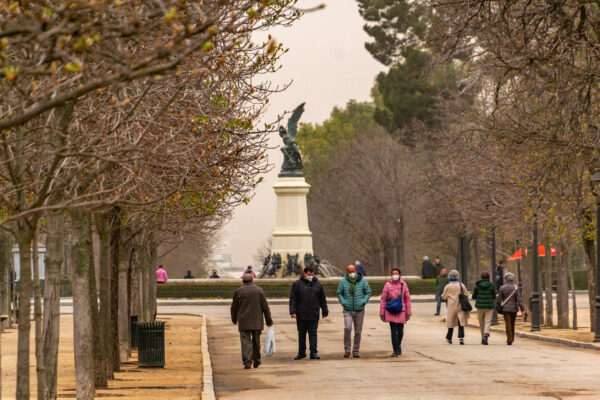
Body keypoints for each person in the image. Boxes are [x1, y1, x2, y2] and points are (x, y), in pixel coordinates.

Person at [230, 273, 273, 369]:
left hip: (244, 320)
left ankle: (247, 362)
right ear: (252, 280)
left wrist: (234, 319)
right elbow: (265, 307)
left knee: (245, 341)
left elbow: (234, 307)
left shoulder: (239, 291)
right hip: (257, 320)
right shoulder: (259, 290)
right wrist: (269, 321)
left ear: (243, 281)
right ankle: (257, 360)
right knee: (256, 341)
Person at [289, 266, 328, 360]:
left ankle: (313, 352)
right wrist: (292, 311)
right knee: (301, 334)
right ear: (304, 273)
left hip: (313, 313)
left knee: (313, 334)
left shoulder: (318, 284)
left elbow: (322, 299)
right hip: (301, 314)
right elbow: (293, 299)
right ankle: (301, 353)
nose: (311, 276)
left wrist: (325, 311)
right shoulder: (297, 284)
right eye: (309, 274)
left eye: (312, 274)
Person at [337, 264, 372, 358]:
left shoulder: (362, 281)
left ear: (356, 271)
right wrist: (343, 302)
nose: (352, 273)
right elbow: (339, 293)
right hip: (347, 309)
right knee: (347, 328)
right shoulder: (343, 282)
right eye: (350, 272)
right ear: (347, 272)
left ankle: (355, 350)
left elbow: (368, 292)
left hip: (359, 310)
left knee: (358, 332)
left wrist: (363, 301)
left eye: (353, 271)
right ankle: (347, 350)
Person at [379, 268, 412, 357]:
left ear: (400, 275)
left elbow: (407, 299)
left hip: (401, 310)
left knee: (400, 331)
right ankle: (395, 350)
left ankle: (398, 345)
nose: (395, 275)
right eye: (393, 273)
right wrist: (382, 313)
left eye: (396, 273)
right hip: (391, 310)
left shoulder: (404, 285)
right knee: (393, 331)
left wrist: (408, 313)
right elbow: (383, 299)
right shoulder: (387, 285)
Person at [442, 269, 469, 344]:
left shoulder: (448, 286)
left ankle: (449, 337)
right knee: (461, 322)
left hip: (451, 306)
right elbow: (466, 294)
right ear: (458, 276)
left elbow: (444, 296)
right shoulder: (461, 285)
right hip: (460, 305)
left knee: (451, 322)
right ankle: (461, 337)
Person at [496, 272, 523, 345]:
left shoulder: (502, 288)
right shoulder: (516, 288)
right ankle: (512, 338)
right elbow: (519, 299)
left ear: (506, 279)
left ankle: (509, 338)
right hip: (514, 308)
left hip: (505, 308)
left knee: (507, 323)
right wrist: (522, 308)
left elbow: (499, 299)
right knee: (512, 323)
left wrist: (498, 306)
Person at [472, 271, 496, 345]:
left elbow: (473, 296)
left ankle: (483, 337)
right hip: (489, 306)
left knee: (481, 322)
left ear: (481, 277)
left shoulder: (477, 286)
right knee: (487, 321)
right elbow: (494, 296)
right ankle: (486, 335)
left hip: (480, 306)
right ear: (488, 277)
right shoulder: (491, 285)